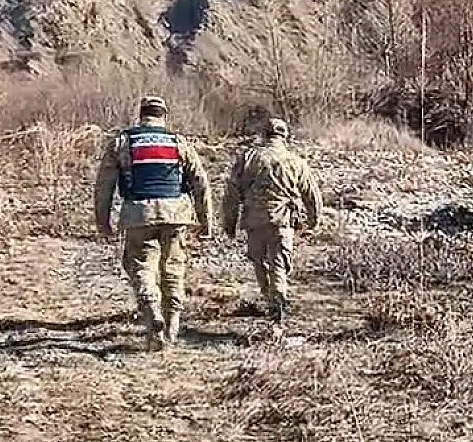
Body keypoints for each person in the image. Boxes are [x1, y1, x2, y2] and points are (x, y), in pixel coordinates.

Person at [93, 95, 214, 351]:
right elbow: (200, 183)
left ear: (141, 115)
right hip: (175, 214)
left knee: (141, 266)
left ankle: (151, 314)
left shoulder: (123, 142)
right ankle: (172, 327)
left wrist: (103, 221)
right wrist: (206, 220)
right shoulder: (178, 142)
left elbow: (104, 186)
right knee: (173, 269)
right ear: (164, 116)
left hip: (138, 214)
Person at [221, 117, 323, 321]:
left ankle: (270, 300)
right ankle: (278, 303)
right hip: (282, 220)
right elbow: (312, 195)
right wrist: (314, 220)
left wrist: (229, 225)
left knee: (260, 263)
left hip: (254, 220)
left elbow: (231, 193)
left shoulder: (248, 157)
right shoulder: (295, 161)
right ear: (284, 136)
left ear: (264, 134)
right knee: (279, 263)